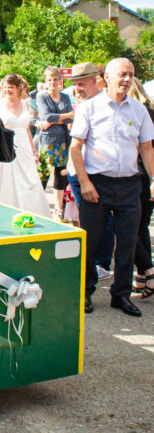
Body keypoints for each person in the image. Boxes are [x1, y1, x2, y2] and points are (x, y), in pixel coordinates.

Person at [70, 57, 154, 317]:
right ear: (107, 77)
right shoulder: (90, 108)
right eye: (122, 74)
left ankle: (121, 295)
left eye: (130, 74)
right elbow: (75, 148)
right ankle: (85, 292)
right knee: (91, 243)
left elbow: (147, 148)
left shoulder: (139, 110)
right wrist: (84, 182)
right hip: (97, 185)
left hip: (130, 185)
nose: (127, 79)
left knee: (128, 243)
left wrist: (153, 180)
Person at [65, 63, 114, 280]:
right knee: (88, 222)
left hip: (94, 172)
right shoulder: (83, 104)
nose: (77, 89)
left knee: (103, 221)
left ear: (96, 81)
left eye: (81, 84)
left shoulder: (105, 104)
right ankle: (90, 269)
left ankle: (101, 264)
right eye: (75, 84)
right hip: (77, 171)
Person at [0, 74, 51, 217]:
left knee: (30, 180)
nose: (7, 90)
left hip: (24, 144)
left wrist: (33, 149)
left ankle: (33, 211)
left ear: (19, 88)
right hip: (6, 145)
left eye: (10, 87)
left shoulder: (25, 104)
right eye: (5, 87)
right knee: (9, 179)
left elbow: (27, 129)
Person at [128, 77, 154, 298]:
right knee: (141, 226)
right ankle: (142, 276)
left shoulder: (136, 113)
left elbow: (144, 147)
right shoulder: (151, 110)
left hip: (136, 173)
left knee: (127, 227)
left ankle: (149, 271)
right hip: (148, 176)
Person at [36, 65, 74, 218]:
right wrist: (62, 117)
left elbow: (71, 117)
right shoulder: (42, 96)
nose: (52, 82)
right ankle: (37, 204)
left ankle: (59, 208)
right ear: (45, 81)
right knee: (44, 172)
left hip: (64, 138)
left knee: (61, 173)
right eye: (49, 80)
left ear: (60, 81)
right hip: (48, 139)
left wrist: (54, 120)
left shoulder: (65, 97)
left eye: (55, 79)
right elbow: (46, 116)